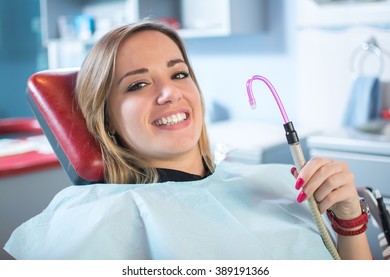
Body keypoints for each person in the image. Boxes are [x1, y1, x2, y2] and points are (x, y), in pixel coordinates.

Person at [4, 20, 372, 260]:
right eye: (138, 84)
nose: (169, 94)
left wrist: (349, 220)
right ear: (107, 119)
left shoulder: (278, 182)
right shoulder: (93, 221)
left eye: (179, 74)